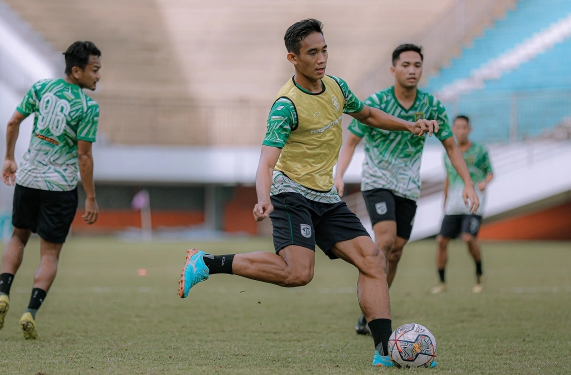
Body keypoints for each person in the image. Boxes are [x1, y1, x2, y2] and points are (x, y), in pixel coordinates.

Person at [178, 19, 439, 368]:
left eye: (324, 49)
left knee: (374, 261)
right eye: (312, 52)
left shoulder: (336, 88)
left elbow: (368, 115)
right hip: (290, 193)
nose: (321, 58)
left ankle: (384, 351)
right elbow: (266, 163)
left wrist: (408, 124)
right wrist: (262, 197)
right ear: (293, 58)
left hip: (325, 196)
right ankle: (208, 263)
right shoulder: (286, 106)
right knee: (298, 274)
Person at [334, 44, 480, 335]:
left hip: (408, 187)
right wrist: (340, 175)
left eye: (417, 65)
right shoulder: (376, 102)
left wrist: (468, 183)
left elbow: (451, 146)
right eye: (406, 65)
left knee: (397, 251)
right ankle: (375, 312)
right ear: (393, 69)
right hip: (377, 181)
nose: (412, 70)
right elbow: (350, 141)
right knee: (385, 241)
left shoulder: (432, 106)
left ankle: (371, 309)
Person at [0, 41, 101, 340]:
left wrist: (9, 157)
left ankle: (3, 293)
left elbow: (13, 122)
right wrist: (90, 196)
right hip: (60, 186)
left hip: (28, 178)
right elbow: (84, 156)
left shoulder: (40, 89)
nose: (98, 76)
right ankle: (30, 312)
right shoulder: (88, 107)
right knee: (49, 253)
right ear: (76, 71)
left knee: (17, 236)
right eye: (95, 70)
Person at [431, 115, 493, 294]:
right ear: (453, 129)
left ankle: (479, 274)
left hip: (473, 203)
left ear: (469, 129)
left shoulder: (480, 150)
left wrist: (483, 183)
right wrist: (444, 201)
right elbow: (448, 179)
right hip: (453, 204)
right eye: (457, 127)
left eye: (464, 127)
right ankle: (442, 282)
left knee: (468, 237)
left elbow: (490, 172)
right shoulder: (448, 152)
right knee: (441, 240)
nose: (461, 131)